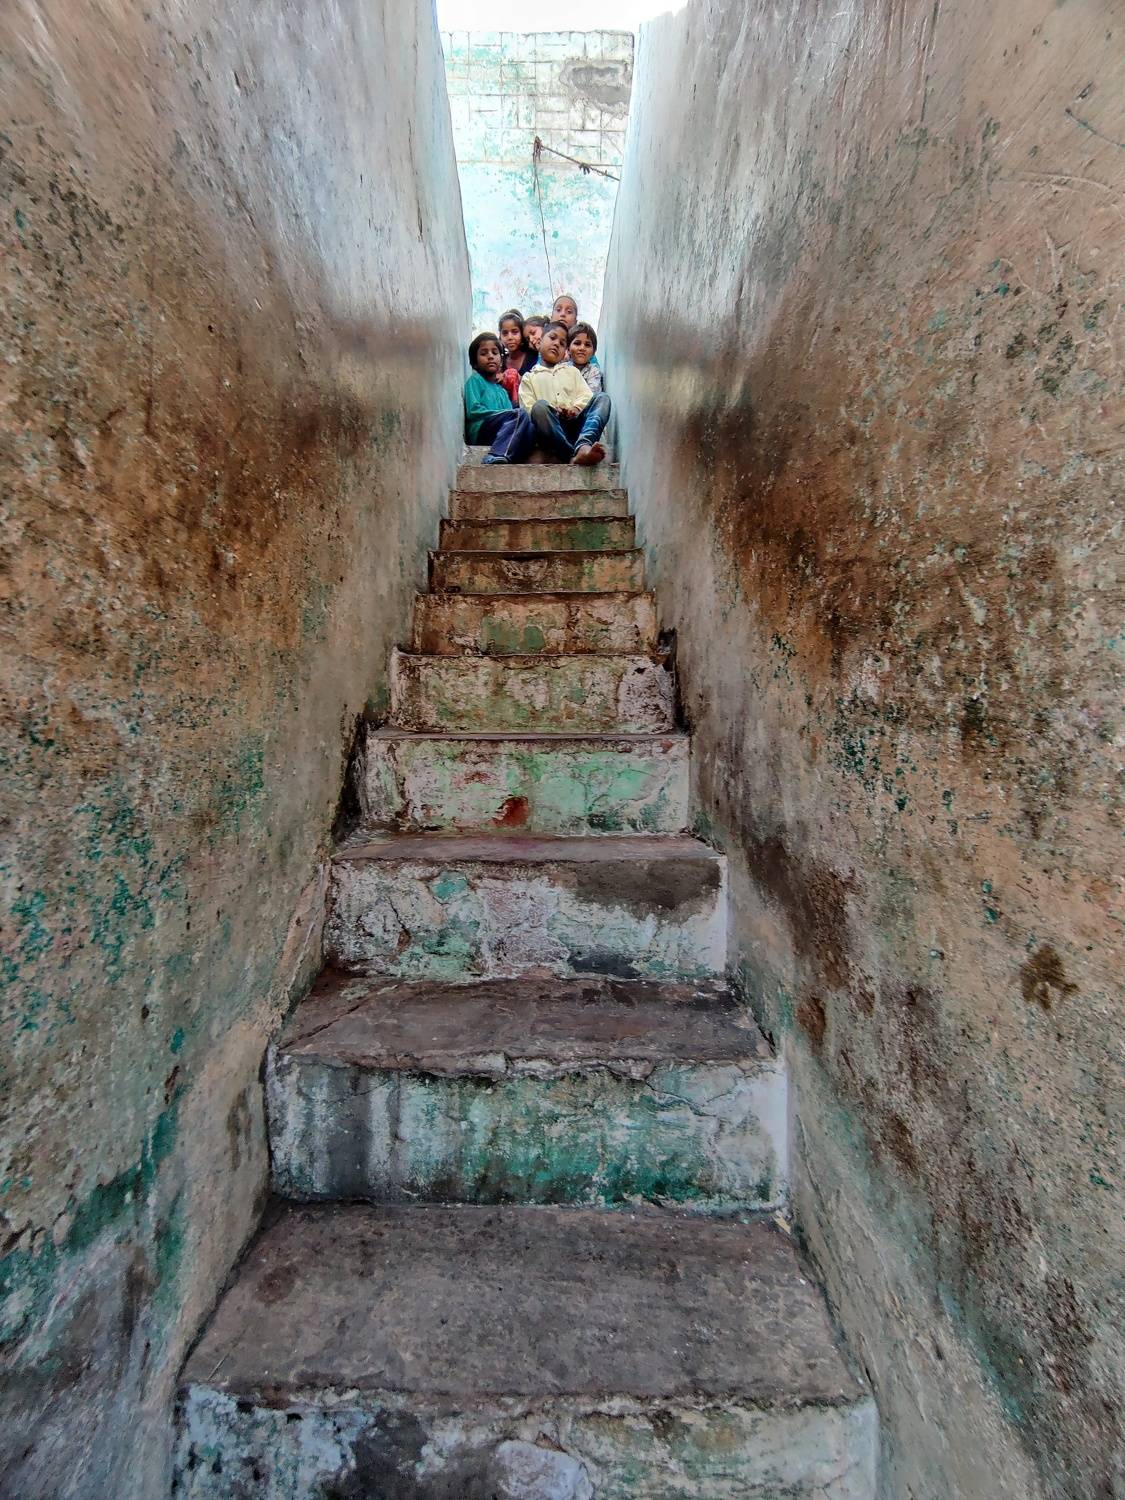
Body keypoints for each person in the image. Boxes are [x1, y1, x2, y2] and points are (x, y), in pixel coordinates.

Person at [519, 320, 611, 466]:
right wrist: (553, 411)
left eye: (562, 343)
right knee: (539, 407)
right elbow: (528, 410)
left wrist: (575, 409)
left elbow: (586, 396)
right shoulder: (529, 378)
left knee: (602, 399)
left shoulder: (572, 372)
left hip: (575, 428)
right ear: (540, 342)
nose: (557, 344)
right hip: (550, 431)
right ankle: (571, 454)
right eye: (552, 338)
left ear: (565, 352)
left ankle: (583, 445)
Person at [464, 332, 534, 464]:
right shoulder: (475, 380)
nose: (490, 356)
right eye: (484, 353)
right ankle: (495, 454)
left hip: (501, 431)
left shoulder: (502, 391)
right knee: (519, 414)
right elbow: (473, 411)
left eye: (495, 353)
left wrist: (509, 415)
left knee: (530, 426)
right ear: (475, 362)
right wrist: (503, 414)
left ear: (501, 361)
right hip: (481, 429)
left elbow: (511, 417)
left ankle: (516, 456)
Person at [498, 308, 536, 379]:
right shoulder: (499, 363)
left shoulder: (534, 357)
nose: (510, 337)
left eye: (515, 332)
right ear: (500, 337)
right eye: (505, 333)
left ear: (522, 333)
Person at [567, 322, 603, 393]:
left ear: (593, 352)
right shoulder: (562, 368)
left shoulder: (593, 371)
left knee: (603, 397)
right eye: (577, 343)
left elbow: (591, 393)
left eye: (587, 345)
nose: (582, 348)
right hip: (564, 399)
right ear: (568, 349)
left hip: (587, 399)